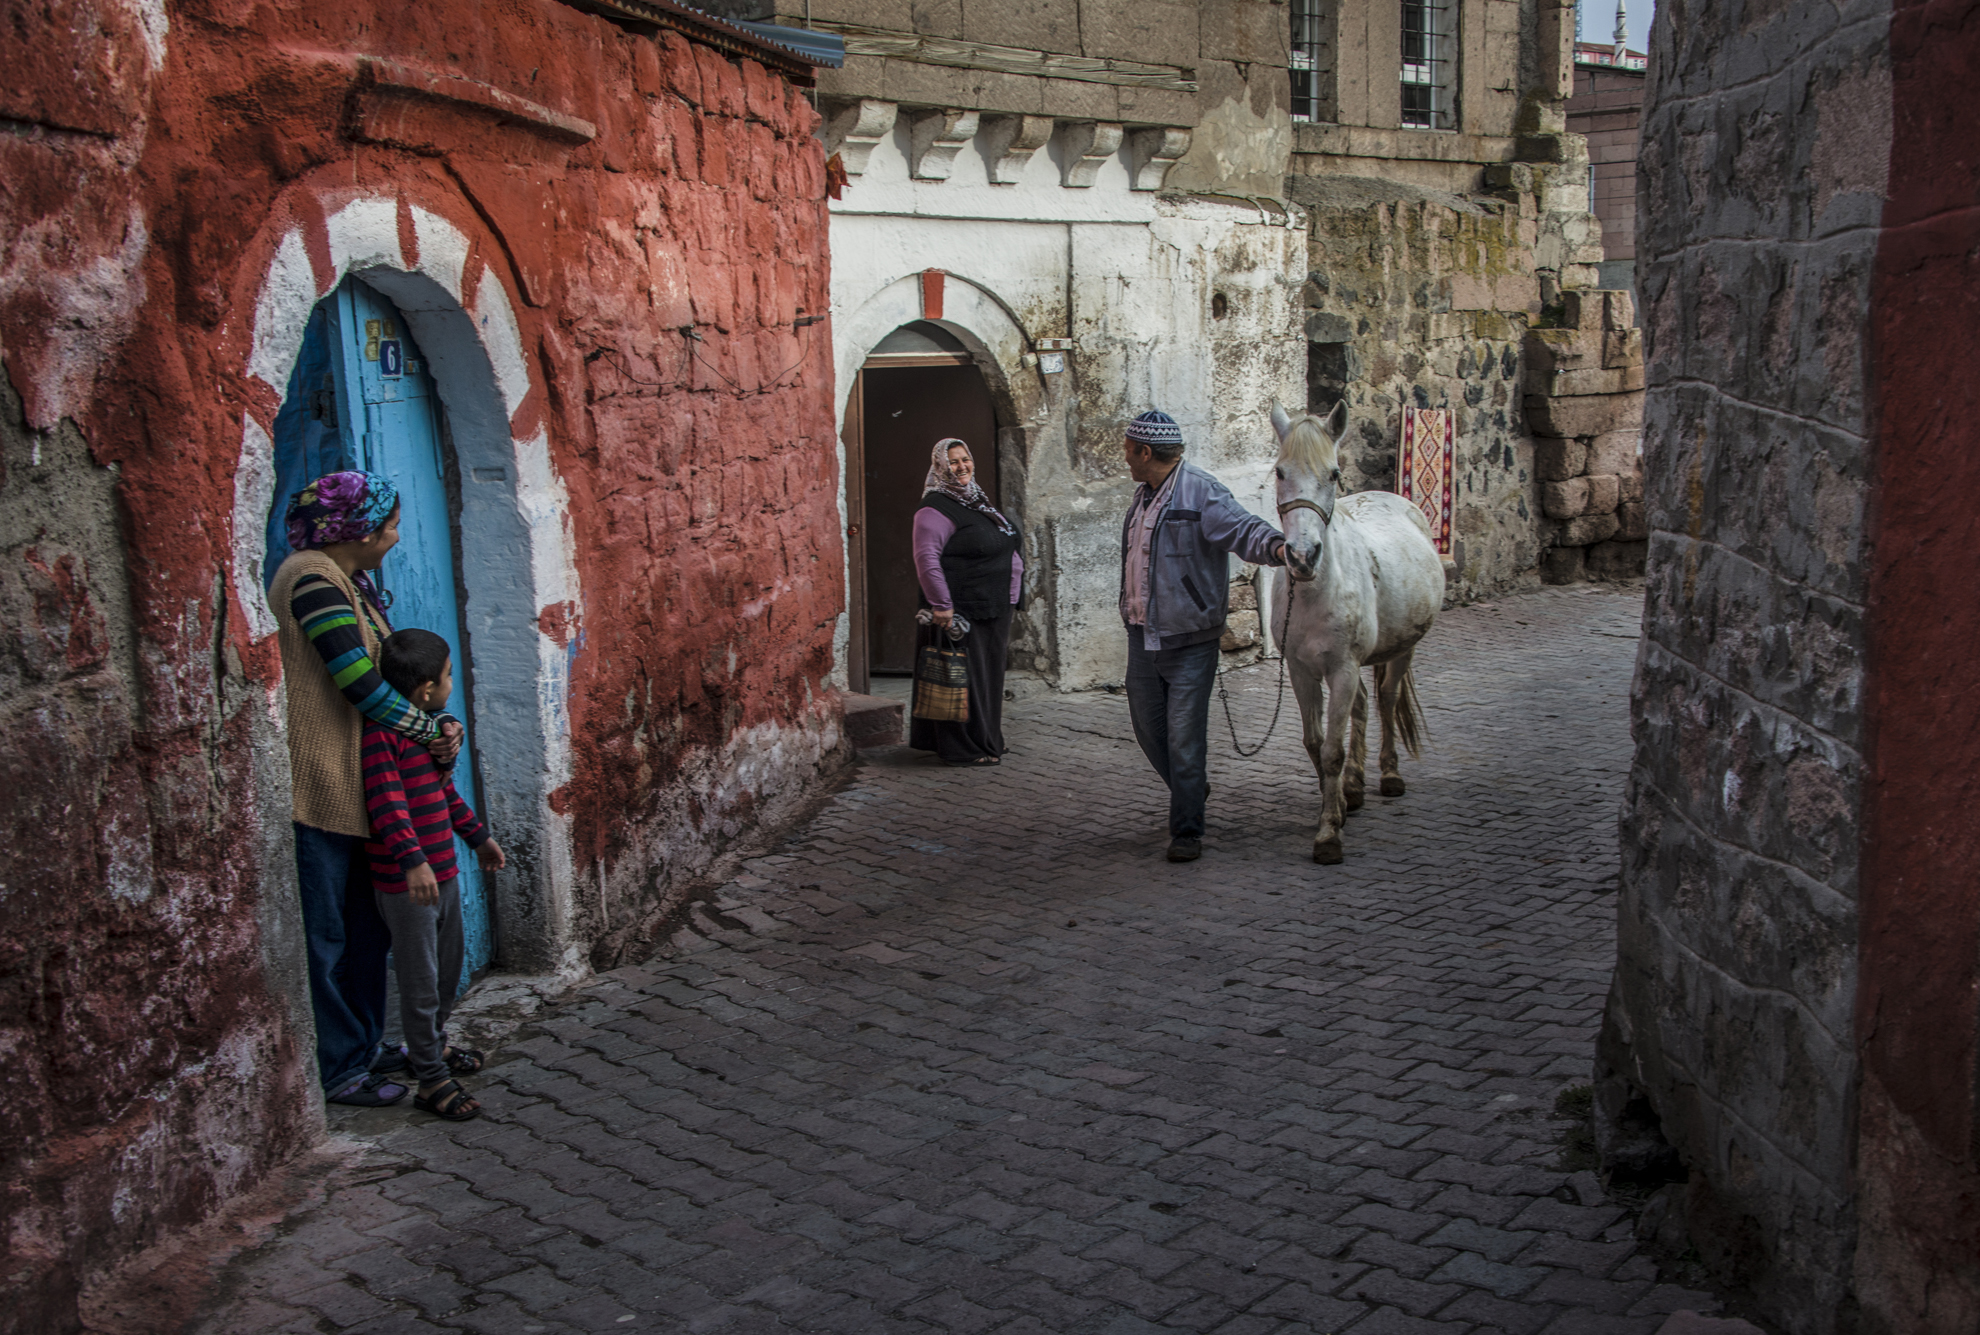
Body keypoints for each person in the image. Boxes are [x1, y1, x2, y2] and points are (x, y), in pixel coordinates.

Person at [268, 471, 463, 1107]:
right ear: (358, 529)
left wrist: (439, 726)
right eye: (390, 526)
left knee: (362, 936)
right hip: (321, 788)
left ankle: (367, 1043)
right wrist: (429, 730)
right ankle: (341, 1068)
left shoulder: (349, 583)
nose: (396, 537)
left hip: (357, 791)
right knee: (329, 940)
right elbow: (358, 682)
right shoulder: (311, 580)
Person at [1119, 410, 1289, 863]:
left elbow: (1243, 528)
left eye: (1129, 449)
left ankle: (1187, 830)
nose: (1125, 457)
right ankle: (1190, 788)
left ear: (1146, 452)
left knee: (1184, 738)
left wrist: (1279, 548)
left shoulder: (1201, 490)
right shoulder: (1143, 495)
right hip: (1142, 634)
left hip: (1190, 639)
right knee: (1148, 728)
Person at [363, 629, 505, 1122]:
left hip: (442, 875)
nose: (450, 684)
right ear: (426, 690)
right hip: (410, 884)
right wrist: (413, 861)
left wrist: (477, 837)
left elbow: (443, 795)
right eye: (447, 677)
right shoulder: (383, 737)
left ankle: (434, 1046)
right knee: (420, 982)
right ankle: (429, 1078)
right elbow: (387, 805)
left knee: (447, 971)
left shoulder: (424, 731)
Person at [909, 437, 1023, 766]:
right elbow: (926, 559)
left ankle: (986, 739)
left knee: (987, 678)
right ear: (940, 467)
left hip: (993, 605)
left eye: (965, 459)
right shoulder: (934, 508)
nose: (962, 467)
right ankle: (963, 747)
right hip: (962, 608)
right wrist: (942, 605)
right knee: (962, 678)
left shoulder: (975, 500)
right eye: (953, 461)